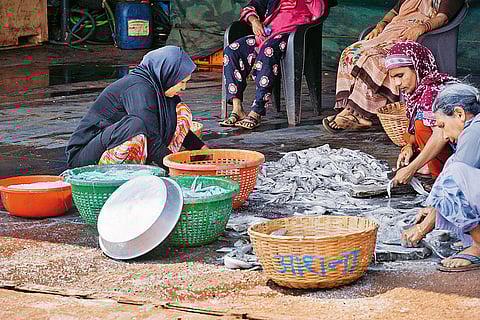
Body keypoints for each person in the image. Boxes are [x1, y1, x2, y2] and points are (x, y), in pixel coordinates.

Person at [323, 0, 464, 133]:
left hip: (412, 38)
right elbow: (394, 12)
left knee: (374, 59)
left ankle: (358, 114)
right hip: (390, 32)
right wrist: (381, 25)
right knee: (350, 53)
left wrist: (421, 28)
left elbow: (442, 18)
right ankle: (348, 110)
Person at [66, 46, 207, 169]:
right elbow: (150, 137)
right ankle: (128, 176)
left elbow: (178, 126)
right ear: (167, 73)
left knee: (181, 111)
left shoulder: (161, 88)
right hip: (85, 156)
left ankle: (159, 164)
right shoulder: (139, 88)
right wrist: (176, 169)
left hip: (113, 141)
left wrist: (204, 152)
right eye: (181, 82)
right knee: (135, 127)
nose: (184, 87)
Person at [401, 83, 480, 272]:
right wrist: (431, 206)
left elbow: (456, 183)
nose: (444, 134)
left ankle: (478, 248)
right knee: (453, 166)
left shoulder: (474, 132)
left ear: (459, 114)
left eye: (443, 126)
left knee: (453, 173)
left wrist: (423, 228)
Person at [220, 0, 330, 130]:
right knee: (231, 50)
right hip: (266, 34)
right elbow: (251, 7)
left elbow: (319, 12)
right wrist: (254, 21)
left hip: (290, 37)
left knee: (268, 51)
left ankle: (257, 110)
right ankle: (237, 109)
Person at [385, 41, 457, 182]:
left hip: (463, 156)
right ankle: (427, 165)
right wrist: (408, 146)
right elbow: (412, 131)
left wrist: (410, 169)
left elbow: (441, 135)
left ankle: (438, 176)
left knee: (421, 122)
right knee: (419, 120)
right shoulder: (417, 92)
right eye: (393, 77)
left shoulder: (433, 90)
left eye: (400, 75)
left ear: (418, 68)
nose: (397, 83)